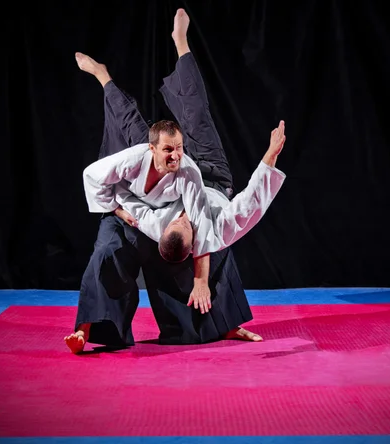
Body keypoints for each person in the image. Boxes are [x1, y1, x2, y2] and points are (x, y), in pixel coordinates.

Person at [65, 8, 285, 353]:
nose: (185, 217)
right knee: (169, 118)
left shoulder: (162, 217)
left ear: (169, 224)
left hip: (184, 178)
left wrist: (123, 209)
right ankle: (105, 74)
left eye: (181, 220)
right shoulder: (205, 221)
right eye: (188, 224)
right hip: (210, 174)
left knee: (182, 115)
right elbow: (250, 204)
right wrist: (270, 157)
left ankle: (177, 43)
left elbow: (143, 207)